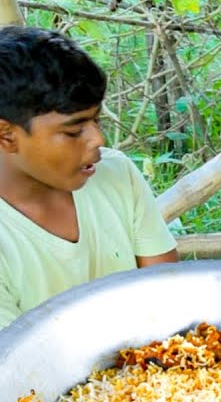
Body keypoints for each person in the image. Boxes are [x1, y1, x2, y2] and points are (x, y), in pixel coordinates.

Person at [0, 26, 177, 330]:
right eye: (74, 130)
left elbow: (167, 296)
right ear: (6, 135)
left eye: (97, 120)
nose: (98, 138)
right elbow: (15, 361)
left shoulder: (116, 175)